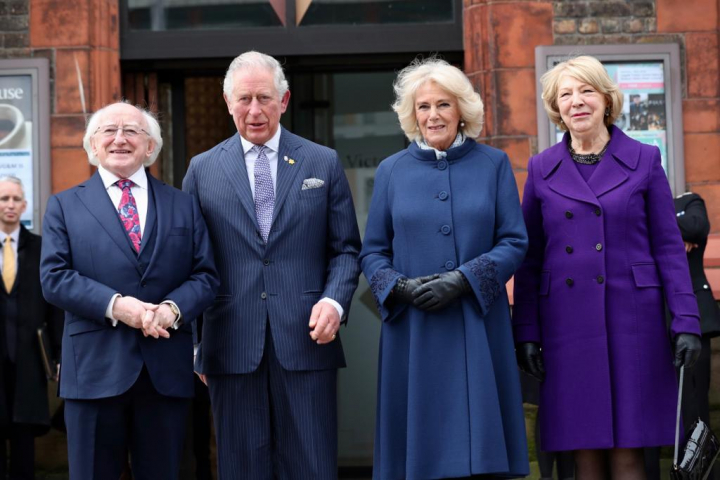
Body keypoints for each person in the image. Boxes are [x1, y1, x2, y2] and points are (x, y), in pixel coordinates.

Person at [512, 55, 702, 479]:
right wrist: (526, 332)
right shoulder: (542, 168)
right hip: (566, 324)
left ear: (606, 99)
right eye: (566, 94)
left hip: (633, 321)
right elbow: (530, 258)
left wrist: (686, 321)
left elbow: (669, 249)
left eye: (586, 91)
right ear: (555, 107)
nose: (576, 102)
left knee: (629, 450)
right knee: (583, 452)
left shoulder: (644, 158)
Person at [183, 50, 361, 480]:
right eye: (244, 99)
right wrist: (194, 346)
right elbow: (189, 263)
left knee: (312, 466)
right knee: (241, 467)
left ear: (284, 101)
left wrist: (334, 303)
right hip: (229, 344)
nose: (255, 110)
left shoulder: (323, 162)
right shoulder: (202, 170)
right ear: (228, 102)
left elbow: (346, 250)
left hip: (305, 341)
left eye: (265, 98)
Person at [359, 57, 529, 479]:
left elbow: (515, 241)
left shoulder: (493, 164)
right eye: (423, 106)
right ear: (411, 115)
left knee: (481, 457)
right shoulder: (391, 171)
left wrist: (464, 279)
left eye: (443, 105)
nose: (432, 115)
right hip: (413, 331)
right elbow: (372, 252)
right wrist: (399, 287)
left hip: (477, 324)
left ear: (462, 111)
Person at [40, 102, 219, 480]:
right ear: (92, 144)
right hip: (93, 371)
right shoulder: (64, 206)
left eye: (132, 131)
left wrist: (173, 308)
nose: (120, 138)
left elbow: (206, 276)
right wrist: (117, 306)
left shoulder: (183, 205)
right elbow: (54, 278)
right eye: (109, 130)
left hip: (164, 371)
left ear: (150, 146)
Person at [0, 176, 63, 480]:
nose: (9, 205)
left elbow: (55, 307)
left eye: (15, 199)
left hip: (28, 359)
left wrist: (59, 354)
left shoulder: (41, 248)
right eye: (4, 199)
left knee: (24, 436)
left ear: (24, 205)